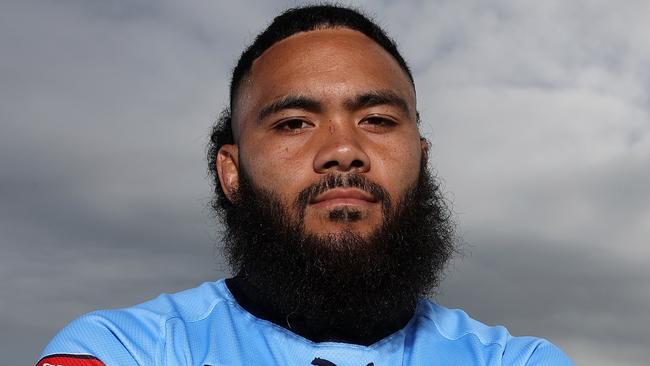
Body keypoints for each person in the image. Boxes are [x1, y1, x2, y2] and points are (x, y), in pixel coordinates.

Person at [38, 5, 574, 366]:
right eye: (294, 122)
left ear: (422, 159)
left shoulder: (516, 361)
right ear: (232, 171)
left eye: (378, 120)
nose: (344, 149)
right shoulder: (125, 350)